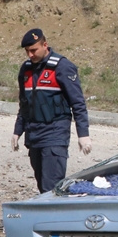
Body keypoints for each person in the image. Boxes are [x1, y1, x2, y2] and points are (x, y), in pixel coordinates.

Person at [13, 28, 91, 193]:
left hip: (55, 132)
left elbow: (78, 103)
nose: (30, 55)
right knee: (42, 186)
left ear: (45, 45)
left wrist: (83, 135)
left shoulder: (62, 67)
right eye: (27, 51)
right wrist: (17, 130)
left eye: (33, 50)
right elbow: (24, 103)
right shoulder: (26, 69)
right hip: (34, 134)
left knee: (52, 187)